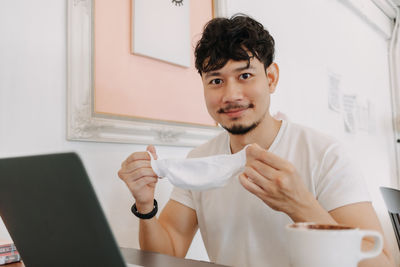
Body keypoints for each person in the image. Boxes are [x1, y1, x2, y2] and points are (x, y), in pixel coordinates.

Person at [118, 14, 394, 267]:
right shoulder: (200, 161)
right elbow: (168, 253)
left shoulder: (325, 155)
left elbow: (380, 262)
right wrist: (145, 206)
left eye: (245, 75)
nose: (231, 94)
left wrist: (299, 204)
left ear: (271, 78)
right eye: (216, 81)